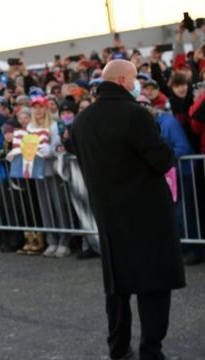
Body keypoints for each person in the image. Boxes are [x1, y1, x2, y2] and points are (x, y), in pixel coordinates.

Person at [72, 59, 185, 360]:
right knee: (154, 285)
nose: (137, 85)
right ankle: (151, 350)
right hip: (146, 216)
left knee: (118, 288)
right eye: (135, 79)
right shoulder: (135, 114)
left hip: (108, 216)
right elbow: (162, 160)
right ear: (123, 81)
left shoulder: (82, 120)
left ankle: (118, 348)